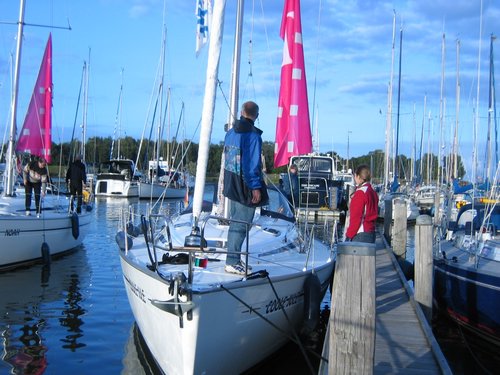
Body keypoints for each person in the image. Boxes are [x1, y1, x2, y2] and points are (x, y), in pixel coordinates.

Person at [223, 101, 269, 275]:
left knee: (236, 221)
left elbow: (228, 158)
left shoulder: (230, 132)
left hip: (231, 182)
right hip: (245, 184)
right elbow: (251, 164)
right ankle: (232, 260)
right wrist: (255, 187)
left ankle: (233, 256)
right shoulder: (253, 136)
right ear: (256, 116)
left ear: (242, 112)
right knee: (241, 223)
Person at [345, 164, 379, 243]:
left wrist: (349, 235)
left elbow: (356, 218)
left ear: (358, 176)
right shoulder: (373, 192)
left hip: (361, 234)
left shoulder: (360, 193)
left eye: (355, 176)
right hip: (371, 232)